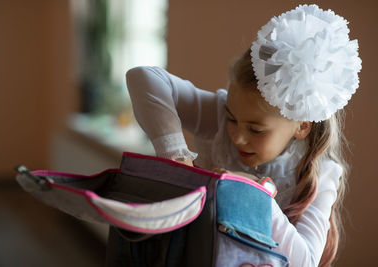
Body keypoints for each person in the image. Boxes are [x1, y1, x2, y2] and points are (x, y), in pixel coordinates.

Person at [125, 4, 361, 267]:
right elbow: (142, 76)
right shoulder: (217, 117)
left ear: (302, 126)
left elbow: (305, 262)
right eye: (232, 119)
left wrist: (252, 195)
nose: (237, 136)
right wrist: (175, 154)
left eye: (256, 129)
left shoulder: (323, 173)